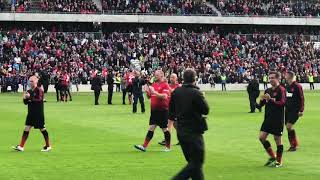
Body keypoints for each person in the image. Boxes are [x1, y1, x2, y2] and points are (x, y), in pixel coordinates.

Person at [170, 69, 209, 180]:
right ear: (194, 79)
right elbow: (205, 110)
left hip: (181, 132)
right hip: (194, 132)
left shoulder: (176, 92)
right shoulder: (196, 93)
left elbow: (172, 113)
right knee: (197, 163)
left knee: (194, 164)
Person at [134, 70, 171, 152]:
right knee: (151, 127)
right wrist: (147, 92)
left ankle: (168, 147)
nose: (155, 76)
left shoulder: (165, 85)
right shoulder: (153, 84)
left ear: (162, 75)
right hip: (154, 111)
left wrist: (154, 92)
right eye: (155, 75)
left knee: (165, 128)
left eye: (157, 75)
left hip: (163, 110)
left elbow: (164, 96)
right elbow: (149, 97)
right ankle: (144, 146)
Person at [12, 76, 51, 152]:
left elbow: (39, 99)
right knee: (26, 128)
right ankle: (21, 146)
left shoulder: (39, 90)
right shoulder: (29, 91)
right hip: (31, 113)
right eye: (29, 81)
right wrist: (24, 98)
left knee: (42, 128)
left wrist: (29, 98)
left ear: (36, 81)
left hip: (38, 113)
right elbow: (26, 103)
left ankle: (48, 145)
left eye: (32, 81)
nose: (30, 82)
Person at [256, 71, 286, 168]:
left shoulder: (281, 90)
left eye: (272, 78)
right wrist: (260, 102)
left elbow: (282, 103)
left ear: (278, 79)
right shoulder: (267, 90)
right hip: (268, 118)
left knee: (277, 139)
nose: (270, 80)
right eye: (270, 78)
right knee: (261, 138)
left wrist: (270, 100)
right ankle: (273, 156)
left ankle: (279, 161)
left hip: (277, 118)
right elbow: (262, 105)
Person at [159, 73, 181, 146]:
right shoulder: (168, 85)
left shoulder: (178, 86)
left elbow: (172, 92)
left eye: (173, 77)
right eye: (171, 77)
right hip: (168, 107)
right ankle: (181, 139)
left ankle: (167, 140)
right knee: (175, 125)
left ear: (176, 78)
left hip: (175, 108)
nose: (171, 79)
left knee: (170, 124)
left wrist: (166, 84)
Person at [285, 71, 304, 152]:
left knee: (289, 126)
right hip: (287, 110)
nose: (285, 76)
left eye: (286, 75)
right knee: (288, 127)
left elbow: (302, 98)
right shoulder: (287, 86)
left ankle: (294, 145)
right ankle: (293, 144)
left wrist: (301, 110)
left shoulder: (297, 86)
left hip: (295, 110)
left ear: (290, 76)